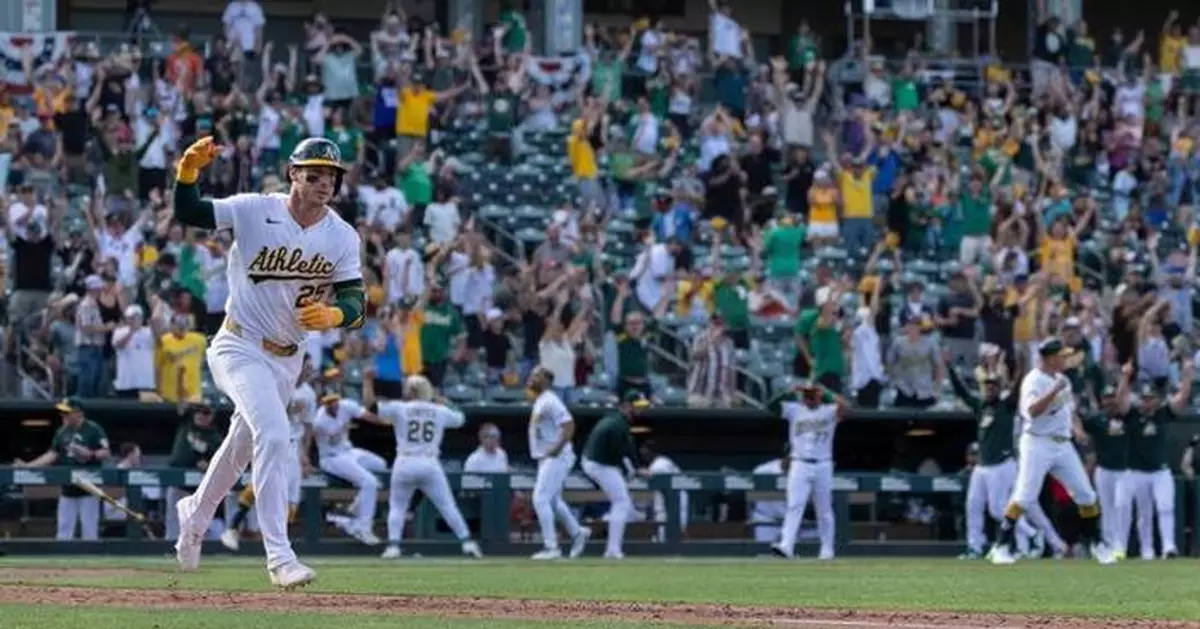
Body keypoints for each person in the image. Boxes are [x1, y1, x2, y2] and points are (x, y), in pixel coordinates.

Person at [169, 135, 365, 588]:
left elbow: (356, 302)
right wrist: (187, 173)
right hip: (239, 344)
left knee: (240, 448)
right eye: (314, 174)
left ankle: (195, 515)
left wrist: (335, 314)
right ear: (293, 174)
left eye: (331, 176)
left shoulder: (341, 235)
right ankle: (280, 557)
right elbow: (191, 212)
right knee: (275, 436)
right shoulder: (255, 209)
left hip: (288, 358)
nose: (324, 183)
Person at [989, 338, 1118, 566]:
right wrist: (1054, 391)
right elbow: (1032, 411)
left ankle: (1098, 544)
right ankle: (1001, 546)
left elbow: (1069, 410)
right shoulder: (1034, 380)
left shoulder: (1062, 379)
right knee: (1025, 495)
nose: (1064, 359)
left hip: (1062, 443)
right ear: (1049, 358)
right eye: (1061, 355)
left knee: (1086, 494)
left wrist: (1077, 429)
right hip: (1037, 442)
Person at [368, 374, 483, 560]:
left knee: (397, 506)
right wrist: (448, 402)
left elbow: (372, 407)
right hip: (429, 462)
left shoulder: (400, 408)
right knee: (447, 505)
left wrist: (367, 381)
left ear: (409, 391)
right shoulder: (439, 410)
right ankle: (467, 542)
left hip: (405, 461)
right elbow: (461, 419)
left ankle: (393, 546)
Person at [221, 359, 317, 552]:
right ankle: (232, 528)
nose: (309, 371)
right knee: (261, 485)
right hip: (274, 441)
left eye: (310, 368)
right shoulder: (278, 382)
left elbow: (307, 427)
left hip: (294, 446)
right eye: (305, 367)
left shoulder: (309, 393)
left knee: (291, 497)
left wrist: (305, 456)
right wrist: (289, 407)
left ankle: (278, 546)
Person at [769, 381, 847, 560]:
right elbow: (770, 407)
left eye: (812, 394)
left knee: (824, 509)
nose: (809, 398)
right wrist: (789, 391)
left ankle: (827, 550)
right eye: (806, 395)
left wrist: (826, 392)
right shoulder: (794, 409)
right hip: (799, 463)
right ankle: (786, 546)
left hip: (823, 464)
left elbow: (846, 408)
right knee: (794, 505)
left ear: (819, 396)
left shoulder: (829, 410)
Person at [14, 398, 110, 541]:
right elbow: (52, 454)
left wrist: (90, 454)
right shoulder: (62, 431)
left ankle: (90, 555)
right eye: (62, 412)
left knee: (89, 530)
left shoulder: (93, 429)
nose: (63, 415)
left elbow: (106, 453)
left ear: (78, 413)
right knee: (64, 530)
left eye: (67, 412)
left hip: (89, 488)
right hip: (67, 488)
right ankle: (63, 555)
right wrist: (29, 466)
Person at [526, 365, 589, 560]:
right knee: (553, 501)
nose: (531, 378)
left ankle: (551, 547)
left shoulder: (551, 400)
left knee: (540, 498)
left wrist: (556, 449)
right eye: (532, 374)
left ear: (546, 380)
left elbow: (569, 425)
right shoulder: (540, 400)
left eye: (536, 375)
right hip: (546, 457)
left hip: (556, 456)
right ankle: (578, 532)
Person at [311, 392, 390, 545]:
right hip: (331, 458)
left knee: (380, 464)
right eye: (329, 402)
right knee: (370, 483)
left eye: (335, 400)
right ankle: (363, 528)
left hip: (348, 452)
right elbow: (332, 438)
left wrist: (387, 422)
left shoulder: (346, 405)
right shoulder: (320, 419)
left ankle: (354, 507)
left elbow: (367, 416)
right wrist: (342, 427)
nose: (333, 404)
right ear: (323, 404)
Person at [580, 391, 650, 560]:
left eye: (642, 406)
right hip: (598, 464)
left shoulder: (616, 419)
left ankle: (612, 546)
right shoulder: (617, 425)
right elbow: (623, 454)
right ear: (626, 406)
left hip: (597, 462)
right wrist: (635, 470)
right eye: (637, 406)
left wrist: (632, 470)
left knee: (623, 503)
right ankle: (612, 549)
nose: (640, 410)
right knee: (621, 502)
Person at [165, 403, 223, 541]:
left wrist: (208, 464)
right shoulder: (186, 424)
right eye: (198, 412)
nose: (200, 415)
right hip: (176, 478)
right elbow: (180, 409)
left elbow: (220, 460)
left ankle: (199, 546)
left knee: (197, 520)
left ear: (211, 416)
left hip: (198, 485)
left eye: (205, 413)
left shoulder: (214, 437)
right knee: (173, 516)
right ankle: (171, 543)